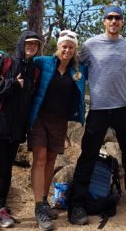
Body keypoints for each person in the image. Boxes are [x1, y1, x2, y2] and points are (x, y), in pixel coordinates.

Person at [68, 5, 126, 225]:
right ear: (104, 21)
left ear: (122, 22)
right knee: (88, 154)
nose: (114, 21)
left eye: (118, 18)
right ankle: (76, 203)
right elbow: (73, 61)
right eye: (110, 18)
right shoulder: (90, 45)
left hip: (124, 107)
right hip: (98, 109)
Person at [0, 30, 43, 231]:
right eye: (28, 43)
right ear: (21, 44)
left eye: (35, 44)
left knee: (7, 170)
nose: (31, 47)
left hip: (15, 128)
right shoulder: (3, 62)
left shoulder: (34, 70)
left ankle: (0, 208)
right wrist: (11, 84)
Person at [27, 30, 87, 231]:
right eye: (64, 46)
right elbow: (22, 59)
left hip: (60, 121)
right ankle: (38, 208)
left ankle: (44, 201)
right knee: (40, 158)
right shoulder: (43, 62)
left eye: (71, 47)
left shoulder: (78, 69)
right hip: (40, 118)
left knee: (51, 160)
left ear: (75, 49)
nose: (67, 50)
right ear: (58, 46)